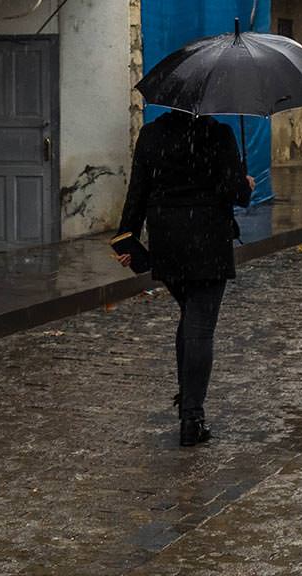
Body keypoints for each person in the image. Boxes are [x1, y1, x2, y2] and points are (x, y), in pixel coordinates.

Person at [113, 110, 253, 447]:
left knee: (191, 318)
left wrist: (125, 237)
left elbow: (138, 191)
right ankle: (192, 416)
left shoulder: (151, 135)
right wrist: (246, 183)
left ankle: (186, 401)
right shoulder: (218, 134)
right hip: (208, 241)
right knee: (201, 327)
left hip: (168, 242)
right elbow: (236, 191)